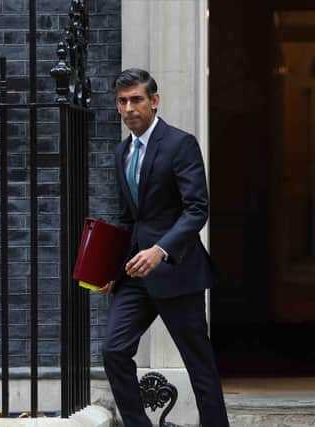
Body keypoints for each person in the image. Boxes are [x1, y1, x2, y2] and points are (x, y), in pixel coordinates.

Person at [99, 68, 230, 427]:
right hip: (134, 276)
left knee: (198, 362)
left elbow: (196, 209)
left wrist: (160, 250)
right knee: (113, 350)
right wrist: (111, 267)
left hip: (177, 271)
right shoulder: (122, 151)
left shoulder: (180, 143)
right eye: (122, 101)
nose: (129, 108)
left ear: (154, 101)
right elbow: (129, 219)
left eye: (136, 99)